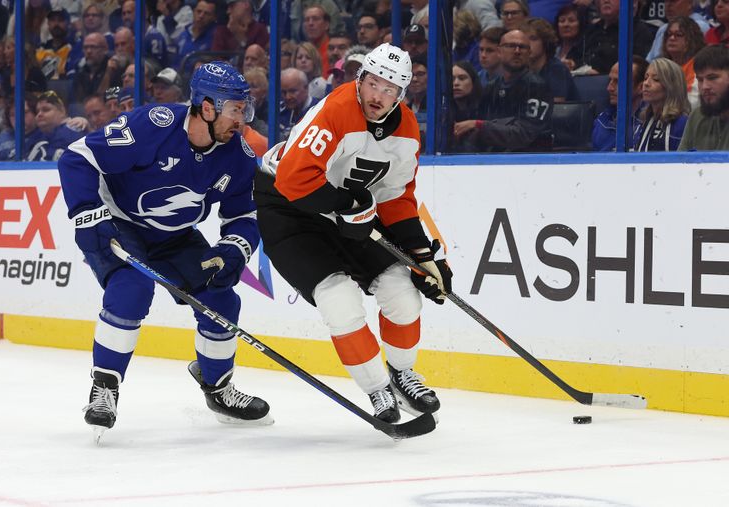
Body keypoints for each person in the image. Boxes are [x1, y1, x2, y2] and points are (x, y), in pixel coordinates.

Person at [57, 61, 271, 437]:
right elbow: (78, 157)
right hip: (120, 223)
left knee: (222, 300)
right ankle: (105, 388)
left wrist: (236, 248)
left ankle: (218, 388)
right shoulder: (152, 126)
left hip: (175, 235)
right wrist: (88, 213)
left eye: (244, 109)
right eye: (236, 109)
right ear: (207, 107)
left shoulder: (237, 156)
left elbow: (245, 215)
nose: (243, 119)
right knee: (131, 289)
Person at [255, 43, 450, 424]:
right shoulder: (337, 110)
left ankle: (402, 374)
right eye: (373, 83)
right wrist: (348, 207)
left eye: (390, 89)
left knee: (403, 292)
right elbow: (295, 180)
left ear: (402, 94)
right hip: (289, 210)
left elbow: (395, 198)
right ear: (360, 79)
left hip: (348, 209)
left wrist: (423, 257)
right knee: (338, 299)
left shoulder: (408, 130)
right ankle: (377, 389)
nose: (378, 95)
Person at [455, 29, 554, 152]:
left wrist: (480, 125)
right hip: (493, 158)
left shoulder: (537, 87)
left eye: (522, 47)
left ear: (529, 53)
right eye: (511, 46)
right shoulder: (491, 88)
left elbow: (524, 134)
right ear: (499, 52)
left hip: (530, 159)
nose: (517, 51)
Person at [592, 56, 648, 151]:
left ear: (640, 87)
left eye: (618, 82)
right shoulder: (602, 120)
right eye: (610, 80)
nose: (609, 88)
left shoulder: (650, 123)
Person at [678, 45, 729, 150]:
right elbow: (681, 164)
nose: (705, 87)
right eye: (700, 80)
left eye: (713, 78)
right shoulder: (697, 116)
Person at [634, 58, 690, 151]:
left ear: (672, 86)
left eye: (656, 79)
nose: (646, 83)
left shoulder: (683, 125)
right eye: (645, 78)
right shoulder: (644, 122)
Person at [662, 16, 707, 109]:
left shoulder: (699, 65)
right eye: (669, 34)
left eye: (678, 34)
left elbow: (693, 103)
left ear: (692, 39)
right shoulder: (662, 66)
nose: (672, 38)